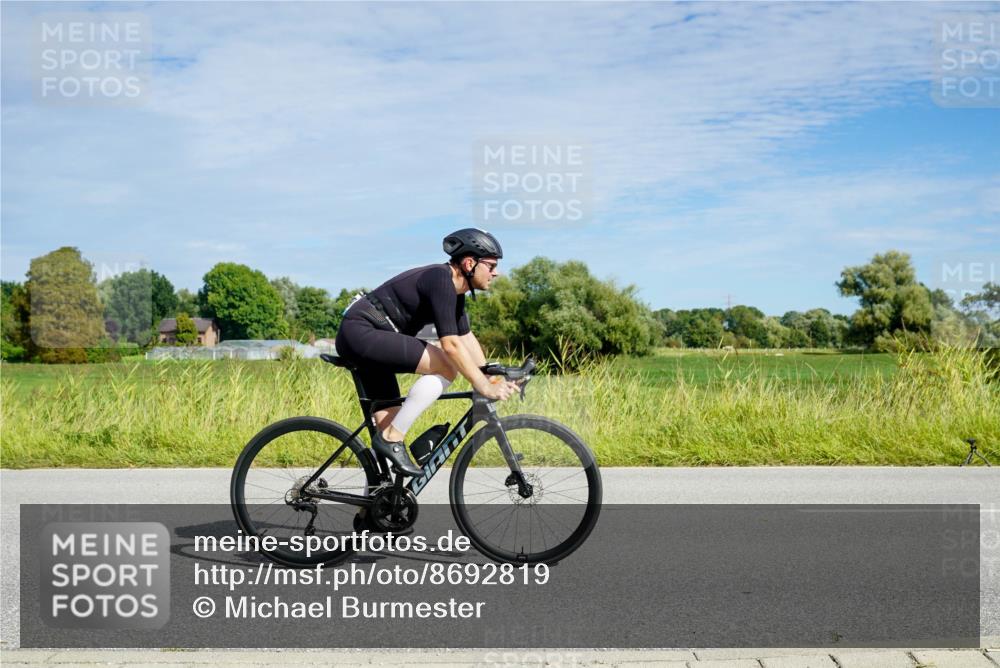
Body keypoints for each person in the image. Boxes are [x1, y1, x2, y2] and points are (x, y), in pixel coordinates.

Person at [334, 228, 520, 476]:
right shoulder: (440, 279)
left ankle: (374, 506)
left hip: (372, 339)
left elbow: (466, 339)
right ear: (469, 263)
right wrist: (482, 385)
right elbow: (451, 346)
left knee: (388, 430)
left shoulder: (455, 295)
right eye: (491, 265)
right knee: (447, 365)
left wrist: (491, 378)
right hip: (362, 332)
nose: (496, 272)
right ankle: (393, 438)